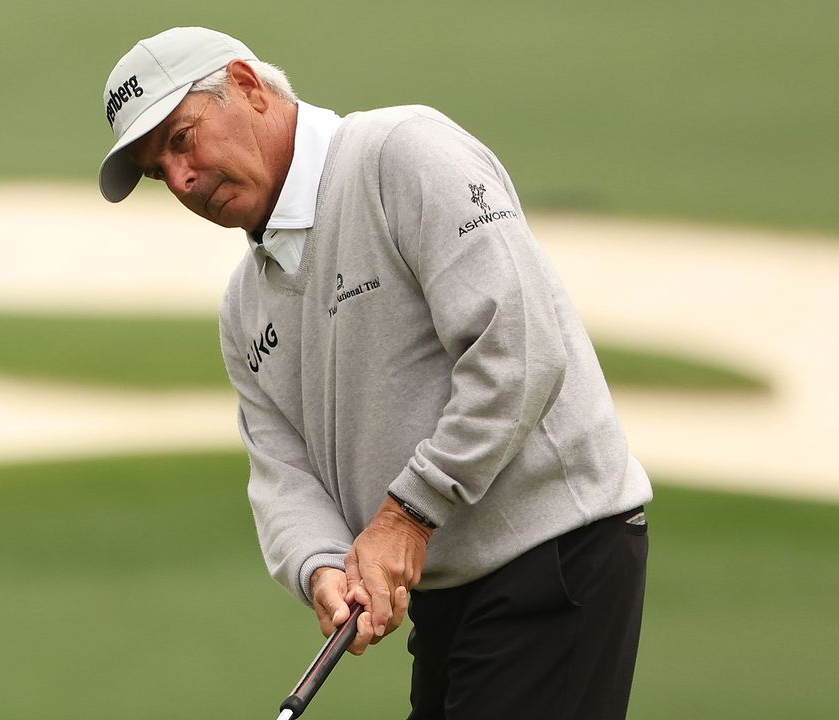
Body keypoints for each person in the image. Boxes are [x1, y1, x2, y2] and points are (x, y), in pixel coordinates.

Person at [97, 26, 653, 720]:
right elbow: (282, 472)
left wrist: (407, 516)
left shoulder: (402, 155)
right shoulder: (245, 308)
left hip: (552, 554)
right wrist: (322, 566)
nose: (180, 180)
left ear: (246, 85)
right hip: (449, 591)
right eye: (158, 172)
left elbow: (521, 347)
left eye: (181, 140)